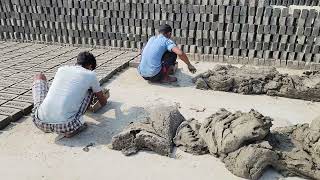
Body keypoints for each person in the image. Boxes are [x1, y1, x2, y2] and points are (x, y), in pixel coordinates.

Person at [32, 51, 108, 138]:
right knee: (90, 90)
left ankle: (48, 116)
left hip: (39, 122)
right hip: (66, 126)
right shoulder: (91, 75)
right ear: (90, 66)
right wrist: (102, 95)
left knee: (39, 76)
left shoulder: (62, 69)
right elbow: (103, 102)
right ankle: (73, 129)